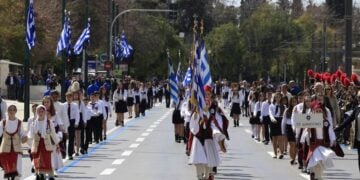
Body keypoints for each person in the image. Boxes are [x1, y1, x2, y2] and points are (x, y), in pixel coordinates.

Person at [189, 85, 221, 180]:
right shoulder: (198, 107)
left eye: (208, 94)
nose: (207, 96)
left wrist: (216, 132)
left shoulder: (214, 106)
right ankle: (200, 176)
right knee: (198, 160)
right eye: (205, 94)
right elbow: (193, 123)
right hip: (199, 137)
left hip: (209, 137)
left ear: (211, 95)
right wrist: (197, 114)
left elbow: (217, 121)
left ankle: (208, 176)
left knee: (208, 163)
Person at [303, 94, 336, 180]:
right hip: (314, 144)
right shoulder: (311, 120)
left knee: (320, 162)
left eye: (320, 111)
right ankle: (313, 174)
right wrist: (306, 137)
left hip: (322, 144)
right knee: (314, 161)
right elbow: (306, 130)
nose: (318, 113)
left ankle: (317, 177)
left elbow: (330, 130)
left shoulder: (326, 122)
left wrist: (333, 139)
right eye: (317, 111)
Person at [28, 105, 60, 180]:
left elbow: (53, 134)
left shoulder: (49, 123)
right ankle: (40, 174)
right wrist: (28, 143)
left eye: (42, 111)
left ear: (45, 112)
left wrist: (57, 144)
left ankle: (50, 175)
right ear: (36, 112)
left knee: (47, 160)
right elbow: (30, 135)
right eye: (39, 111)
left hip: (46, 145)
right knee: (38, 161)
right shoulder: (34, 123)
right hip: (37, 145)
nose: (41, 113)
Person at [334, 90, 360, 172]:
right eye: (359, 97)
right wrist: (337, 128)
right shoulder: (357, 109)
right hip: (359, 138)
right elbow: (348, 121)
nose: (359, 99)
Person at [0, 105, 27, 180]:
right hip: (5, 148)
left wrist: (24, 138)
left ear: (16, 111)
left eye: (13, 110)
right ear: (7, 111)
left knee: (17, 169)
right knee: (7, 168)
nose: (11, 111)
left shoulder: (19, 122)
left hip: (17, 148)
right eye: (10, 110)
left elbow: (22, 134)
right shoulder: (3, 122)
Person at [62, 92, 80, 160]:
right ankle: (63, 153)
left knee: (71, 138)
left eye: (70, 97)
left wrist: (76, 122)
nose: (69, 98)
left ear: (72, 98)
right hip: (65, 122)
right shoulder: (63, 105)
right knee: (64, 138)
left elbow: (77, 114)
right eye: (67, 97)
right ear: (65, 98)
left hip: (72, 121)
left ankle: (70, 154)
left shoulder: (75, 105)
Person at [282, 97, 298, 165]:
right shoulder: (287, 110)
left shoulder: (299, 109)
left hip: (297, 128)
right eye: (292, 102)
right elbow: (284, 121)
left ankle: (294, 158)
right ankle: (292, 158)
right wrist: (283, 131)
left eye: (295, 101)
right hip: (289, 127)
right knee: (292, 144)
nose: (294, 103)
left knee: (296, 145)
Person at [269, 92, 285, 159]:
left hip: (280, 121)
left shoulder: (283, 106)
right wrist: (273, 119)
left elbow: (284, 115)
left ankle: (281, 153)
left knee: (280, 138)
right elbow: (270, 113)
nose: (277, 98)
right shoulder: (272, 105)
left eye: (279, 97)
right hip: (274, 121)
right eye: (276, 97)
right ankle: (275, 153)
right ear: (274, 98)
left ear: (281, 98)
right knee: (274, 139)